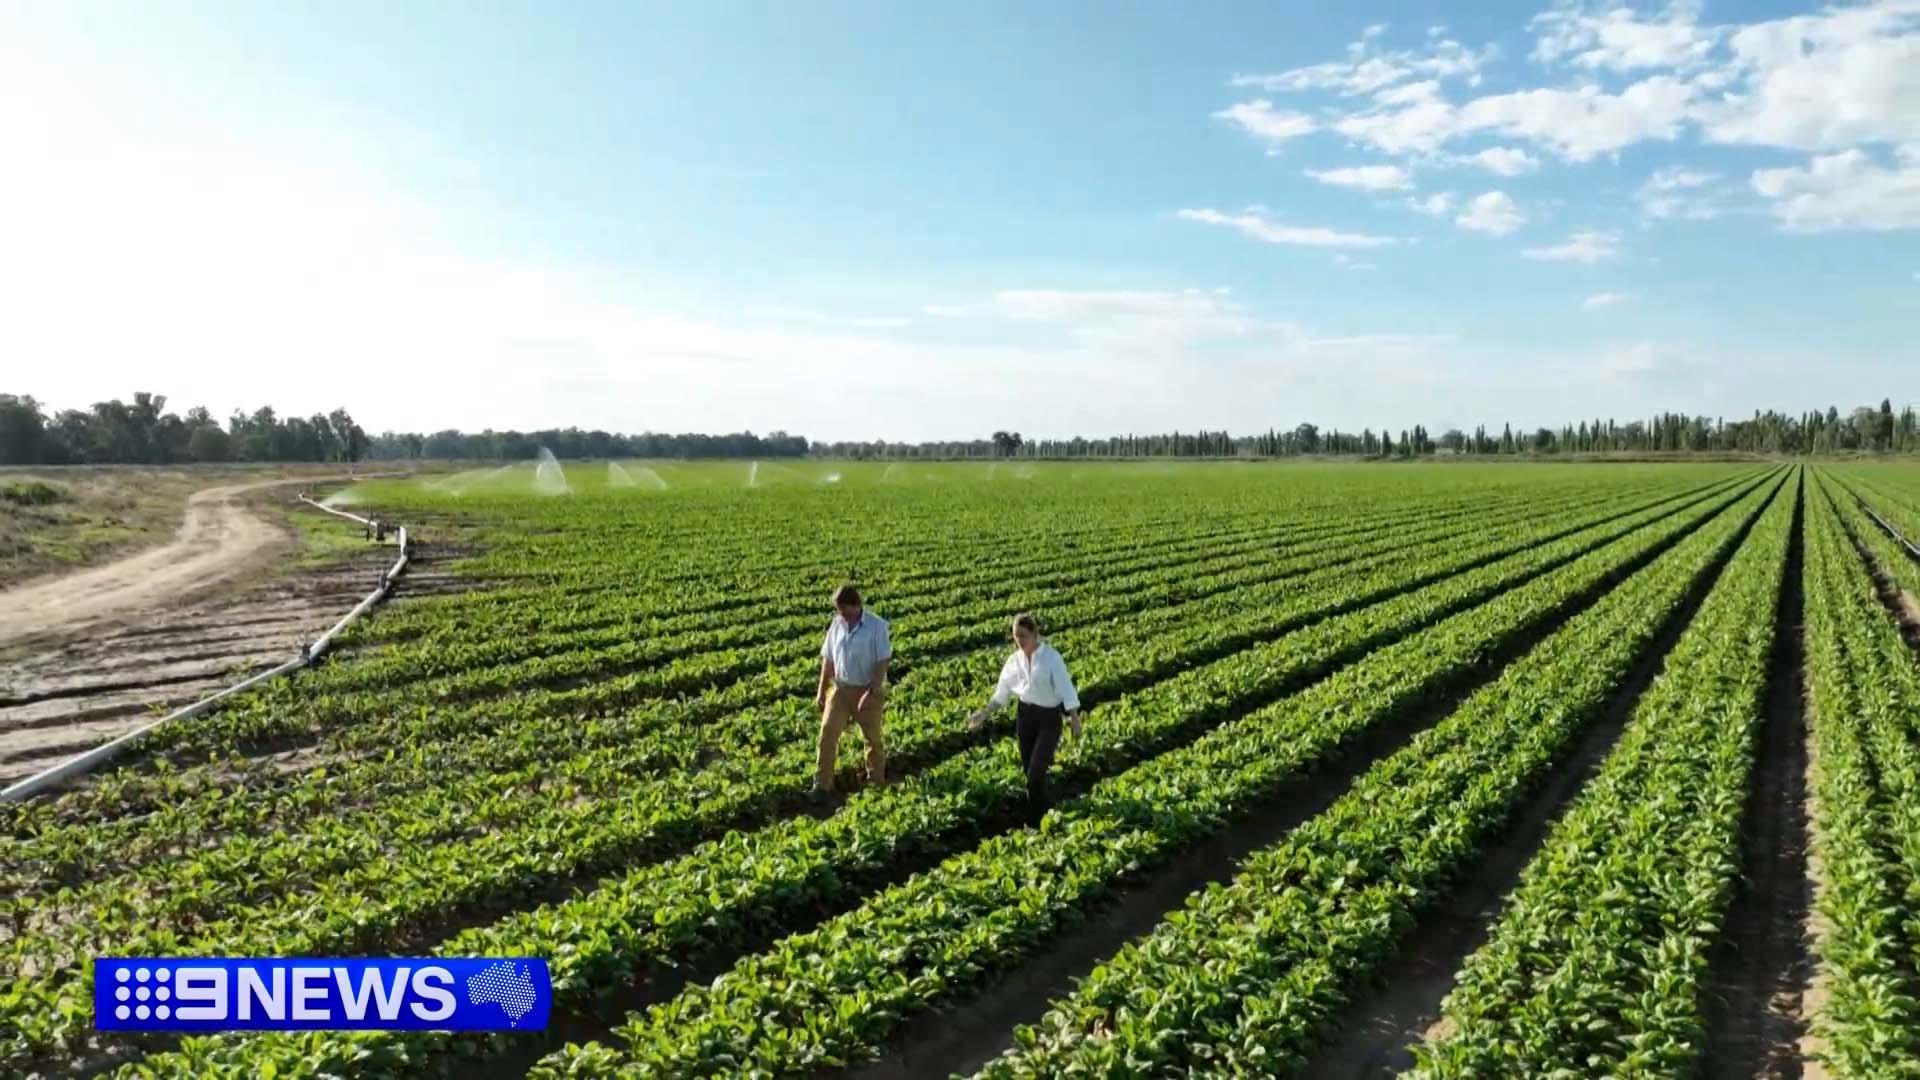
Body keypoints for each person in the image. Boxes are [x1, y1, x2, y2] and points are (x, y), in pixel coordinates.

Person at [967, 613, 1081, 823]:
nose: (1019, 640)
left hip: (1049, 718)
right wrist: (983, 714)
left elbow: (1066, 687)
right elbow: (1002, 693)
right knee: (1029, 774)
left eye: (1023, 635)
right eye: (1015, 636)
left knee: (1036, 772)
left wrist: (1074, 718)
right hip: (1025, 717)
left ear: (1035, 634)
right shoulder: (1014, 661)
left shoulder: (1050, 657)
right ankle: (1041, 814)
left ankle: (1041, 816)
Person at [813, 582, 891, 802]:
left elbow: (882, 660)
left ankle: (876, 783)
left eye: (844, 609)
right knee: (827, 733)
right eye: (839, 610)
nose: (842, 615)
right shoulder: (837, 624)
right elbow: (827, 660)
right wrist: (821, 691)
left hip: (867, 690)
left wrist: (874, 689)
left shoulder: (877, 626)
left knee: (872, 739)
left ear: (856, 605)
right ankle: (822, 784)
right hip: (840, 689)